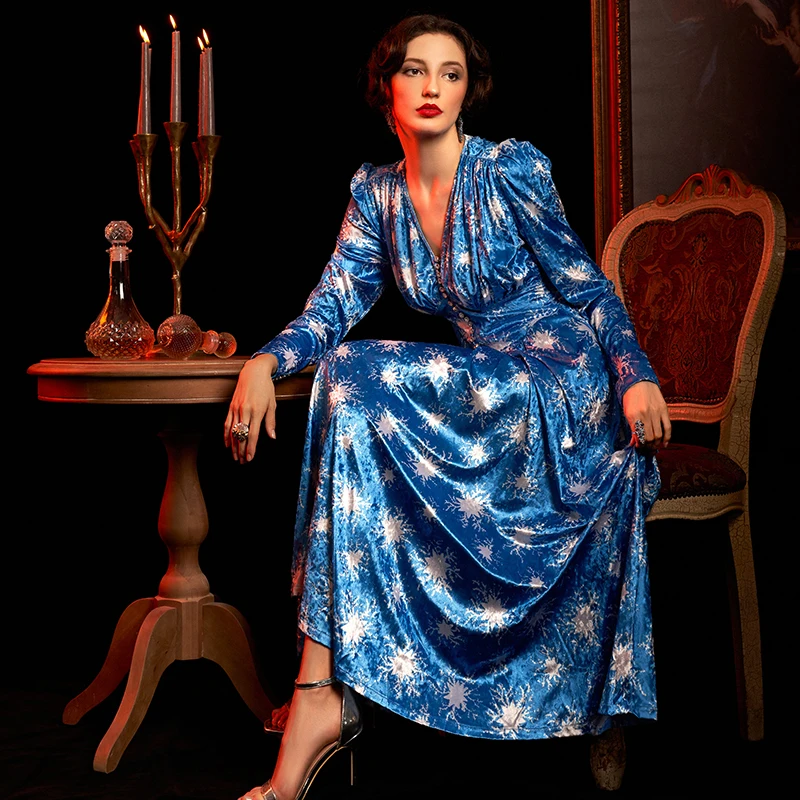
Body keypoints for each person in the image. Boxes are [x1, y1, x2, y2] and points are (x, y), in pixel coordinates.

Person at [225, 14, 671, 800]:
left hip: (560, 380)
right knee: (344, 380)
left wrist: (634, 375)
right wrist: (264, 360)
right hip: (488, 382)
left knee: (354, 374)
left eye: (451, 73)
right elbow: (332, 306)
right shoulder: (377, 194)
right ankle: (321, 681)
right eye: (414, 70)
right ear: (386, 89)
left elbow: (589, 289)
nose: (432, 86)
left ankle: (319, 693)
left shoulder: (510, 170)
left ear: (469, 92)